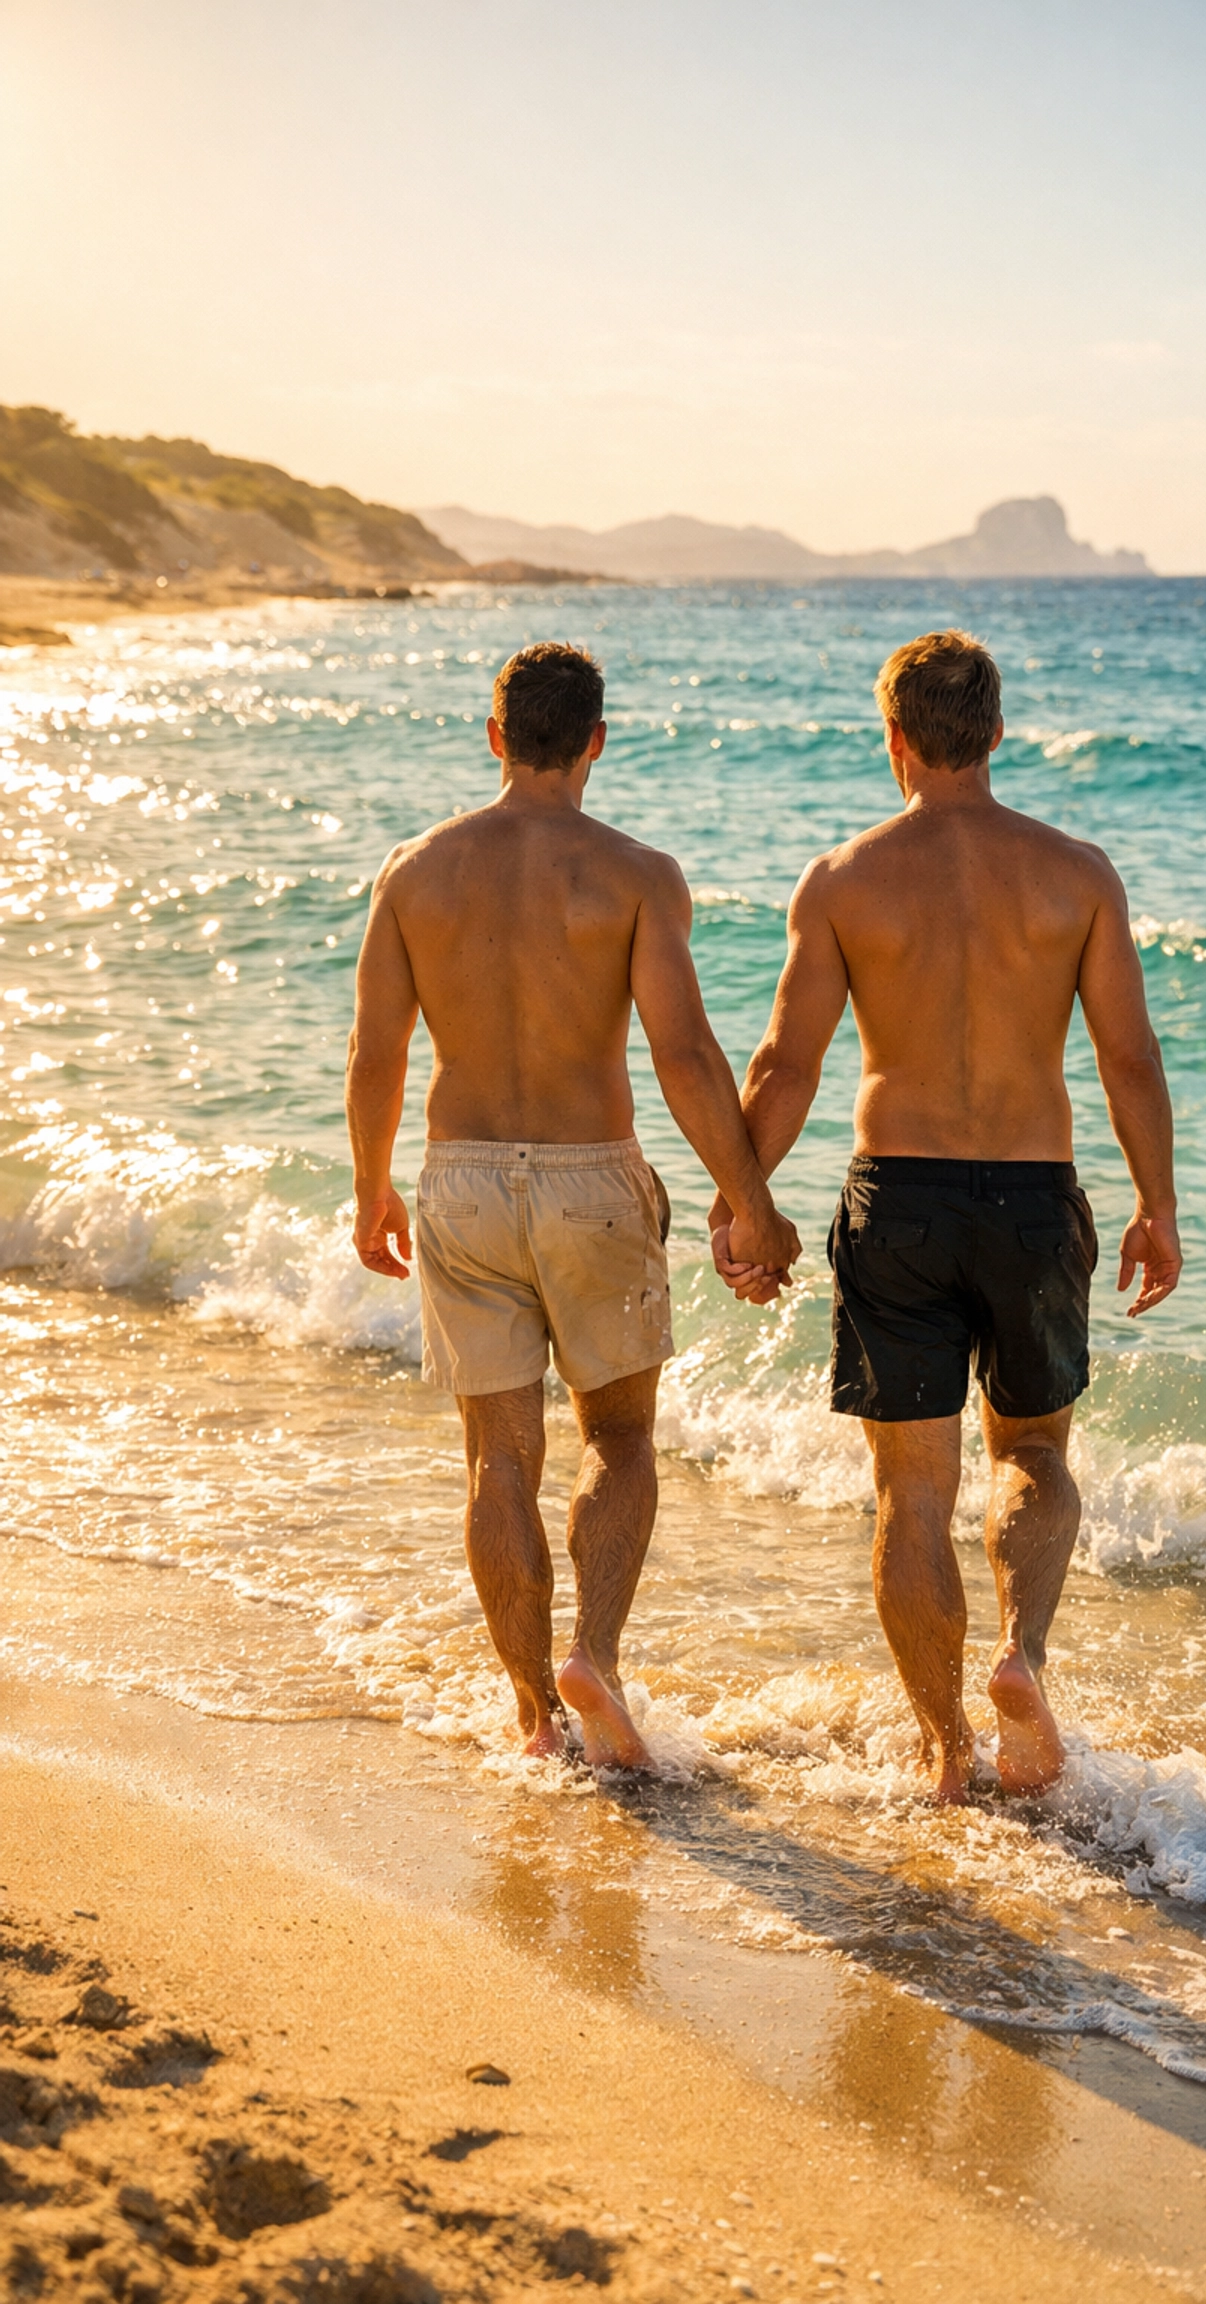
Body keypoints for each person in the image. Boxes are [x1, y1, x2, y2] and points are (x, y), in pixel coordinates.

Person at [711, 629, 1181, 1803]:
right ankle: (1019, 1655)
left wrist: (743, 1202)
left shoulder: (844, 880)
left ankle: (944, 1751)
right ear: (998, 736)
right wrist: (1156, 1208)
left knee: (910, 1492)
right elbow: (1128, 1056)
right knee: (1031, 1451)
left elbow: (787, 1066)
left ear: (895, 737)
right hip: (1031, 1198)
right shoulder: (1077, 874)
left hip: (899, 1199)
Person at [347, 641, 800, 1772]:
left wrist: (371, 1188)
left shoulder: (415, 871)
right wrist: (748, 1202)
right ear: (597, 740)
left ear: (494, 735)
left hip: (459, 1178)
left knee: (499, 1461)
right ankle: (592, 1654)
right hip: (591, 1174)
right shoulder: (638, 875)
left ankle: (533, 1717)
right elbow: (686, 1054)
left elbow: (376, 1050)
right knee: (620, 1436)